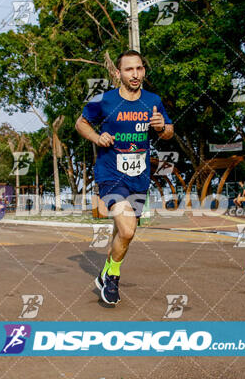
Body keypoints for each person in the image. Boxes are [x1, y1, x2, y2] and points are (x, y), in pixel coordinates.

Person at [75, 49, 174, 305]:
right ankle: (113, 277)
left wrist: (161, 127)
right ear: (118, 73)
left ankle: (105, 274)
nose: (135, 74)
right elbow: (81, 123)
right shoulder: (104, 100)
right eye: (129, 69)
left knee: (121, 234)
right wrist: (98, 137)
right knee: (128, 231)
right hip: (111, 174)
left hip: (139, 177)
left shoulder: (153, 100)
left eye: (139, 68)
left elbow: (169, 132)